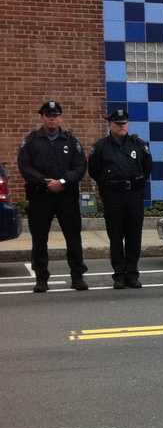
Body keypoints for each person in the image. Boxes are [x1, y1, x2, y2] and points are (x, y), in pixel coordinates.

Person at [18, 100, 89, 292]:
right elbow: (25, 167)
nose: (52, 119)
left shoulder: (71, 141)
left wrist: (63, 182)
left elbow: (80, 166)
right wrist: (45, 182)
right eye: (48, 116)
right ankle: (41, 278)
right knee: (39, 239)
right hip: (40, 195)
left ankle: (77, 276)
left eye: (55, 115)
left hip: (67, 196)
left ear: (60, 117)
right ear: (42, 118)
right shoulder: (31, 141)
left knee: (73, 237)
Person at [87, 108, 152, 289]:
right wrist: (108, 184)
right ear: (110, 124)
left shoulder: (138, 144)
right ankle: (119, 275)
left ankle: (132, 274)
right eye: (118, 123)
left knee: (134, 237)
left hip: (133, 196)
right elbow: (94, 170)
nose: (122, 126)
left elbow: (147, 167)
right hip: (113, 196)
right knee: (116, 237)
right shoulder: (101, 146)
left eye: (124, 123)